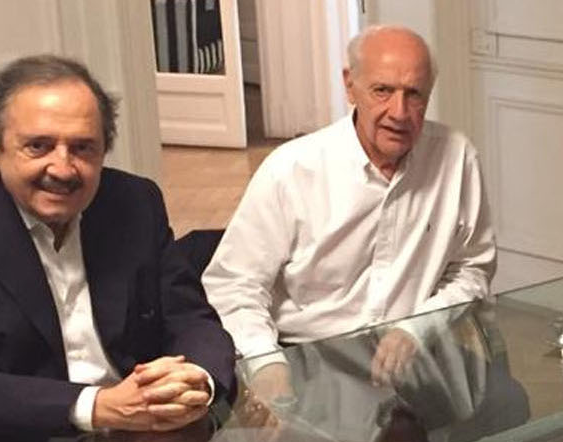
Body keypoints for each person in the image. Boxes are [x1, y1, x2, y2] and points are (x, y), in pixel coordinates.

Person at [0, 55, 236, 442]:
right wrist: (96, 406)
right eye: (39, 146)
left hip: (133, 441)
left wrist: (196, 378)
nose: (63, 168)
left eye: (83, 148)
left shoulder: (135, 202)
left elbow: (191, 318)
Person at [202, 25, 496, 391]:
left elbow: (472, 268)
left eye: (414, 94)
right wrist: (265, 361)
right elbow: (234, 285)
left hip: (415, 351)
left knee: (508, 404)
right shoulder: (291, 170)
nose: (399, 112)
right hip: (312, 358)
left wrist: (418, 327)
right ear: (350, 85)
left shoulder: (457, 157)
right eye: (382, 90)